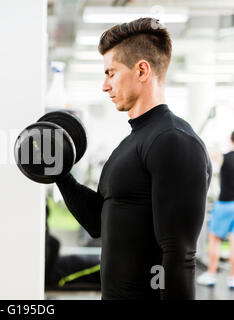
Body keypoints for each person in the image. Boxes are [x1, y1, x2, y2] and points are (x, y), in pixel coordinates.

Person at [55, 18, 212, 299]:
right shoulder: (131, 143)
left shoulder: (172, 141)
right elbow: (99, 223)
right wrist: (60, 175)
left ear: (141, 70)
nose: (105, 85)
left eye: (111, 73)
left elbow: (179, 255)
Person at [197, 131, 234, 289]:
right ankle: (232, 278)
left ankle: (211, 274)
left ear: (230, 139)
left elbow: (203, 152)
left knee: (215, 240)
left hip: (225, 204)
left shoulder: (224, 157)